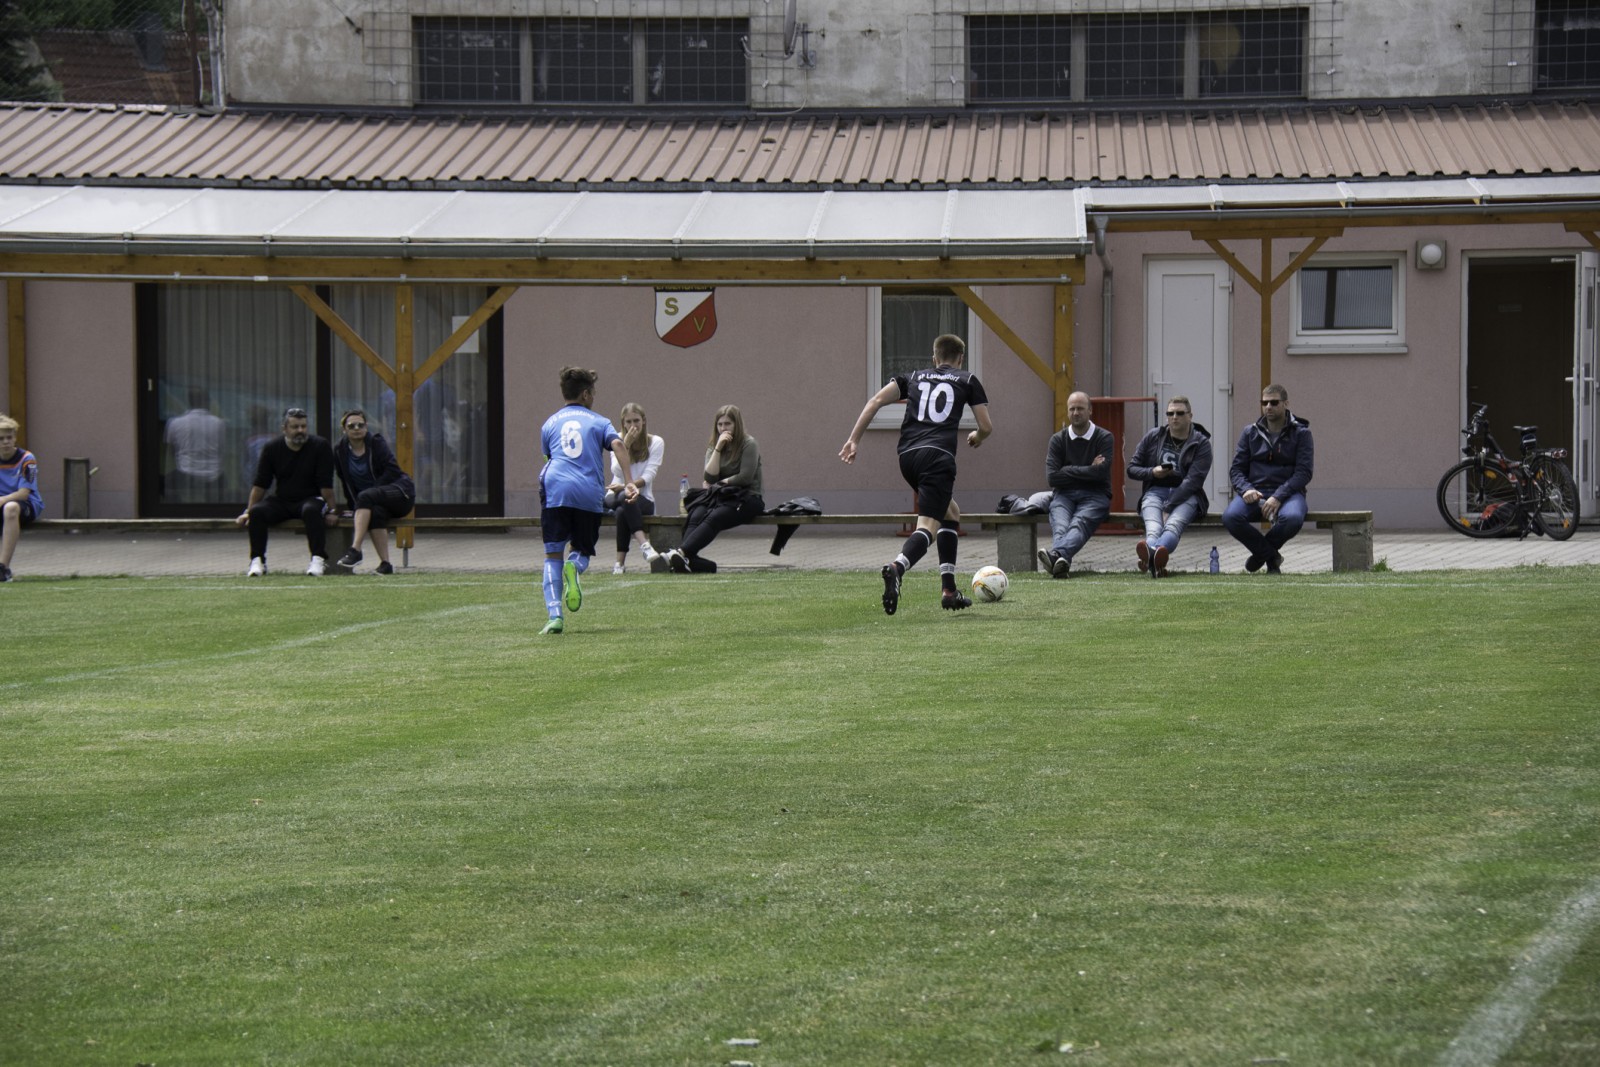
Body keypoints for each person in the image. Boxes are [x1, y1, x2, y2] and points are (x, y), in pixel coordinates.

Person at [840, 333, 992, 614]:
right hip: (938, 458)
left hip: (908, 457)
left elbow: (875, 401)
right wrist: (978, 437)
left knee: (950, 512)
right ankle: (897, 568)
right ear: (960, 358)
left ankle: (949, 591)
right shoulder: (967, 379)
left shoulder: (913, 377)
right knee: (928, 526)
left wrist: (853, 440)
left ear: (934, 358)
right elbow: (986, 425)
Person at [538, 366, 636, 635]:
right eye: (592, 393)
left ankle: (555, 616)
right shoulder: (599, 421)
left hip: (555, 489)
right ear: (585, 394)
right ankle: (575, 565)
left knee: (552, 554)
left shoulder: (549, 424)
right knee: (581, 549)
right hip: (587, 491)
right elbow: (618, 445)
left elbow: (548, 458)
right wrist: (628, 481)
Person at [1222, 383, 1314, 574]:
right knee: (1231, 517)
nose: (1268, 407)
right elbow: (1236, 470)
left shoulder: (1302, 433)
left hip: (1289, 494)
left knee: (1293, 518)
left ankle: (1260, 556)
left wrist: (1279, 496)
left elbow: (1304, 473)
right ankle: (1271, 557)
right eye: (1264, 403)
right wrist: (1246, 489)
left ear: (1286, 404)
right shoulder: (1250, 432)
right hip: (1255, 492)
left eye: (1274, 402)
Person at [236, 406, 338, 577]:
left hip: (310, 498)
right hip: (282, 500)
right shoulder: (272, 448)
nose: (300, 430)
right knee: (258, 512)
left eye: (303, 426)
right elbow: (261, 483)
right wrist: (248, 511)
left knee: (311, 510)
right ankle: (257, 560)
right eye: (295, 427)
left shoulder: (320, 446)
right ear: (284, 429)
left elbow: (326, 483)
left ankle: (318, 559)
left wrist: (332, 510)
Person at [663, 405, 765, 575]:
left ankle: (681, 553)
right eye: (720, 424)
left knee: (715, 516)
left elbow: (745, 478)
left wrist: (721, 482)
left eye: (728, 424)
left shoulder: (749, 444)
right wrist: (718, 448)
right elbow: (709, 477)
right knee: (696, 512)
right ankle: (690, 560)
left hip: (748, 498)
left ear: (737, 424)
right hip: (720, 496)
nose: (723, 428)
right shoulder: (714, 446)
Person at [1126, 395, 1213, 579]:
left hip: (1187, 495)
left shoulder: (1201, 443)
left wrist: (1169, 506)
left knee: (1173, 525)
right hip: (1155, 492)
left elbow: (1193, 481)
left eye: (1180, 413)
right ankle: (1156, 557)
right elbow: (1132, 469)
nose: (1174, 417)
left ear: (1190, 416)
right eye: (1170, 413)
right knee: (1154, 528)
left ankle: (1150, 554)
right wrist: (1152, 472)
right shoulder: (1154, 436)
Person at [331, 408, 416, 576]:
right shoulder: (340, 450)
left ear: (366, 426)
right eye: (351, 426)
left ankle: (355, 550)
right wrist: (355, 507)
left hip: (400, 494)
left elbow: (392, 470)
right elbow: (345, 482)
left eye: (360, 425)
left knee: (366, 495)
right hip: (371, 501)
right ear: (344, 429)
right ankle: (386, 564)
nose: (356, 429)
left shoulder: (376, 443)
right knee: (375, 513)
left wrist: (374, 491)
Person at [1039, 391, 1112, 578]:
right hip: (1064, 495)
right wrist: (1089, 469)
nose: (1076, 413)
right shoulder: (1057, 440)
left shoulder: (1104, 438)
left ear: (1090, 410)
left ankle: (1057, 556)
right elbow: (1052, 478)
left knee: (1079, 523)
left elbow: (1100, 474)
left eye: (1080, 408)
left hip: (1096, 495)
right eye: (1072, 409)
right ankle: (1060, 563)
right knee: (1061, 526)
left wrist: (1066, 470)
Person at [607, 401, 664, 574]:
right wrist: (625, 446)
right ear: (623, 423)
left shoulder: (656, 442)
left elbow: (649, 476)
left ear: (644, 421)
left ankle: (619, 564)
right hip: (614, 495)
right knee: (623, 497)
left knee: (622, 510)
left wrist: (628, 486)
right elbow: (616, 470)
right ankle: (644, 544)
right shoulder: (616, 440)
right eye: (629, 421)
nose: (633, 425)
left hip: (643, 498)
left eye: (636, 420)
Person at [0, 414, 43, 583]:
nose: (5, 442)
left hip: (26, 504)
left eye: (9, 437)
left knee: (10, 507)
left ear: (15, 438)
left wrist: (2, 500)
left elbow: (24, 493)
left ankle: (3, 568)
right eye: (1, 438)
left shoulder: (27, 459)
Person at [163, 387, 226, 502]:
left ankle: (176, 508)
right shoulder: (219, 423)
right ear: (207, 401)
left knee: (165, 483)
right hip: (214, 474)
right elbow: (221, 449)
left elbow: (171, 450)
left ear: (189, 401)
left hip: (185, 471)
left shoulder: (174, 423)